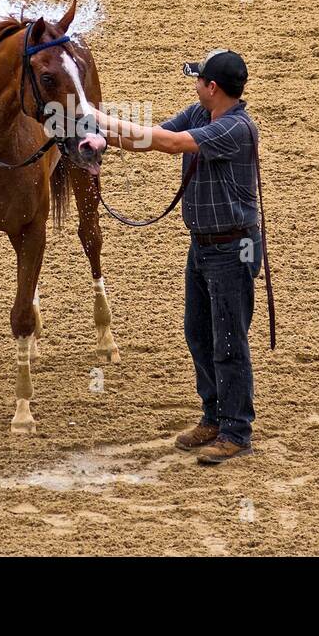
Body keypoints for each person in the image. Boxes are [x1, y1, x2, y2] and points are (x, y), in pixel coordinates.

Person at [94, 50, 260, 465]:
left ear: (213, 87)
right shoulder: (201, 114)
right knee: (199, 333)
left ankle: (236, 430)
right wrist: (102, 136)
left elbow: (169, 144)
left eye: (199, 79)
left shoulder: (235, 129)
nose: (195, 85)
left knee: (228, 340)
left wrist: (95, 118)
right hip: (207, 243)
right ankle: (213, 416)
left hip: (230, 247)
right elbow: (149, 138)